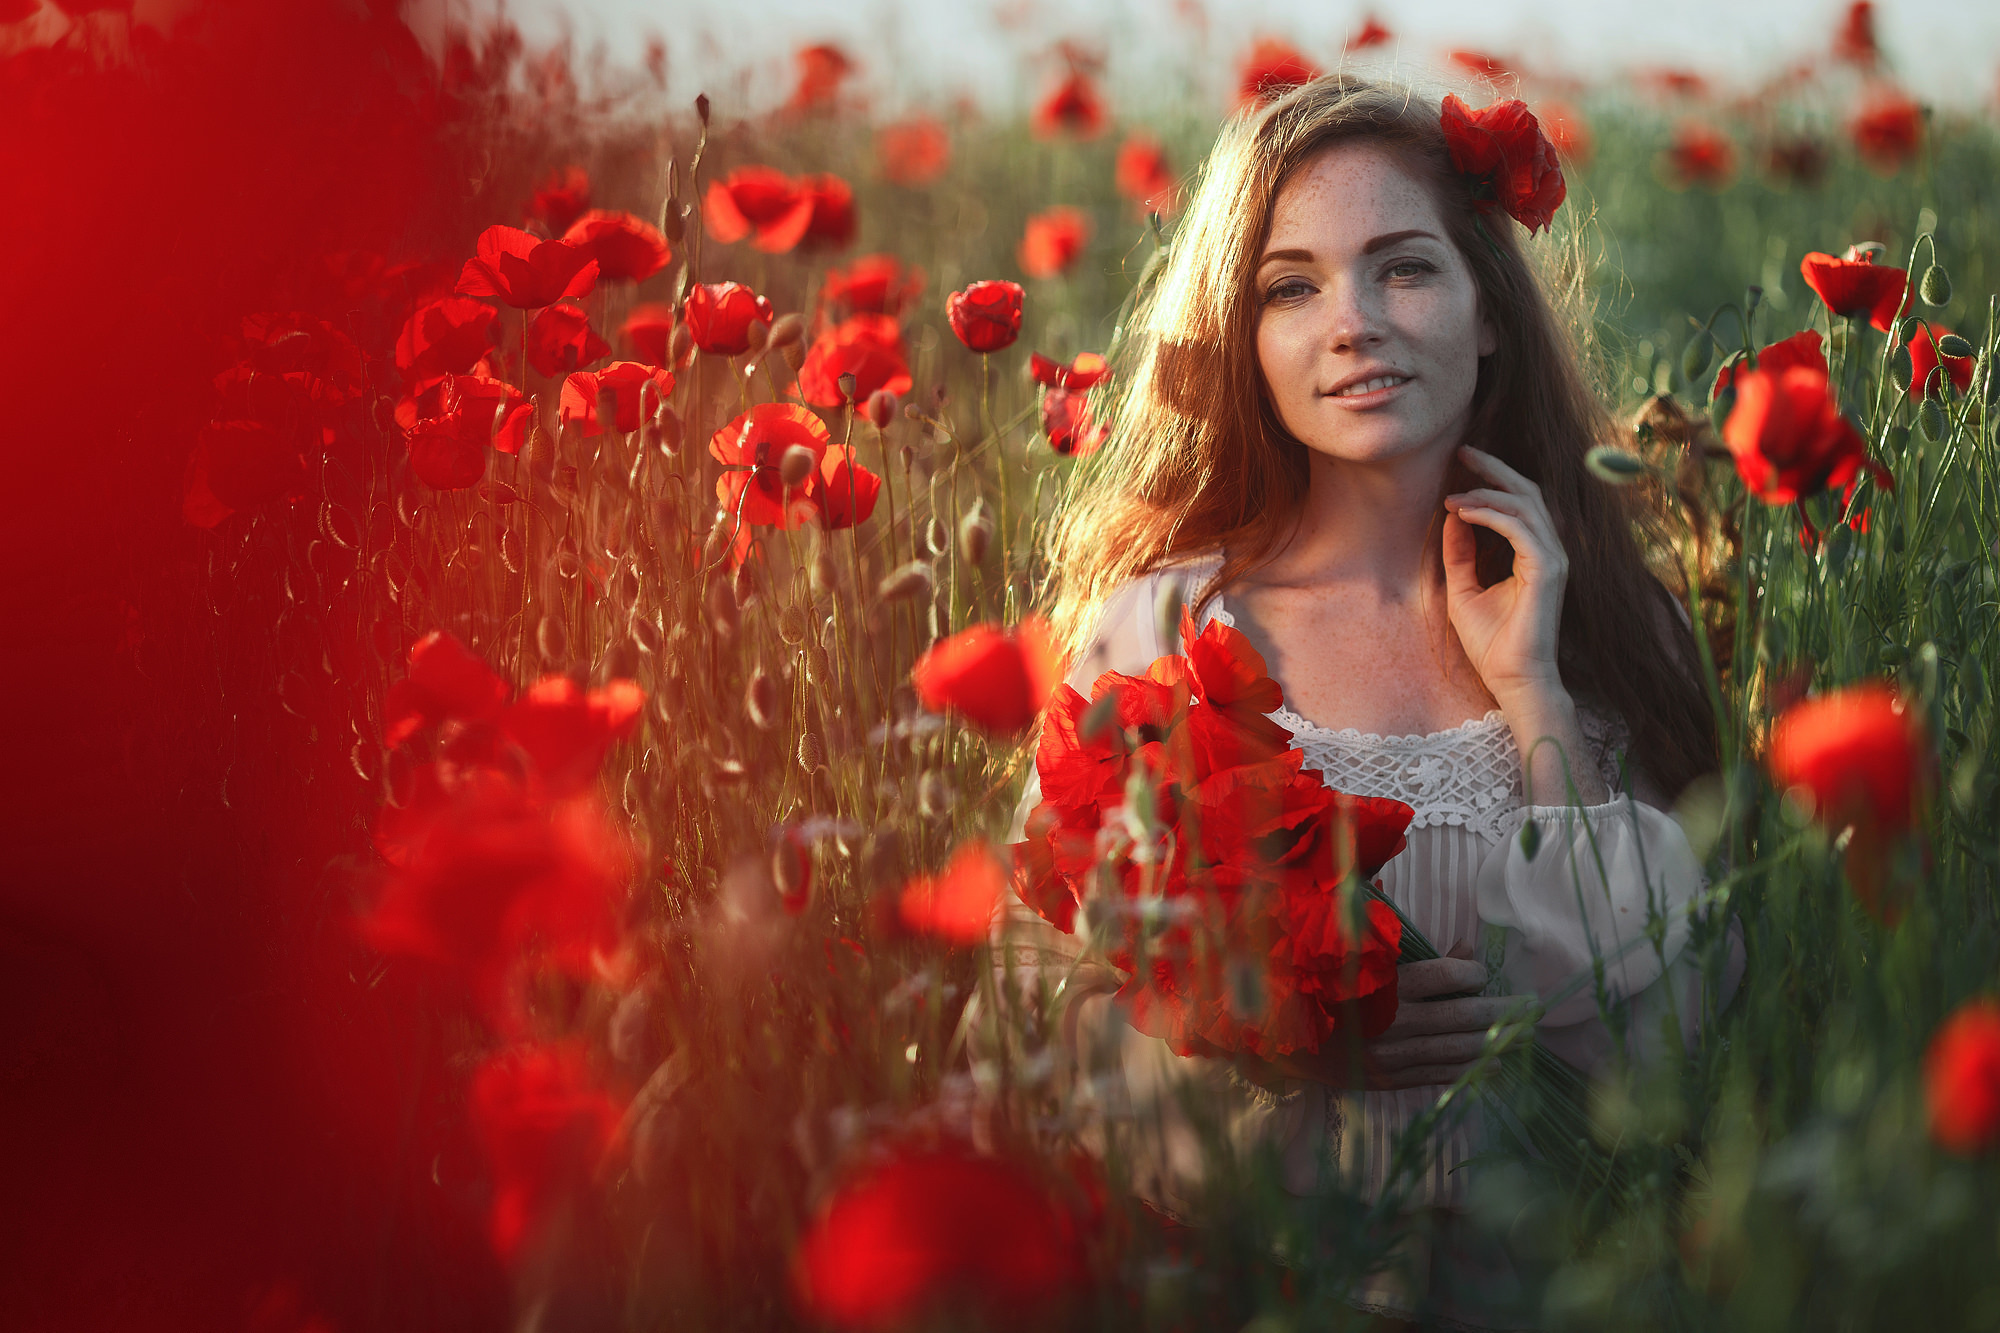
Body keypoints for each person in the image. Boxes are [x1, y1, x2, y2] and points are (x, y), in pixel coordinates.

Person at [991, 76, 1741, 1330]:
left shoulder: (1620, 625)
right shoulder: (1161, 628)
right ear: (1244, 334)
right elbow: (1037, 1004)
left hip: (1562, 1290)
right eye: (1290, 287)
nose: (1349, 325)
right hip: (1245, 1277)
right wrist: (1268, 1040)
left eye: (1401, 270)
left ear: (1485, 309)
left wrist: (1534, 693)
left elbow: (1683, 1025)